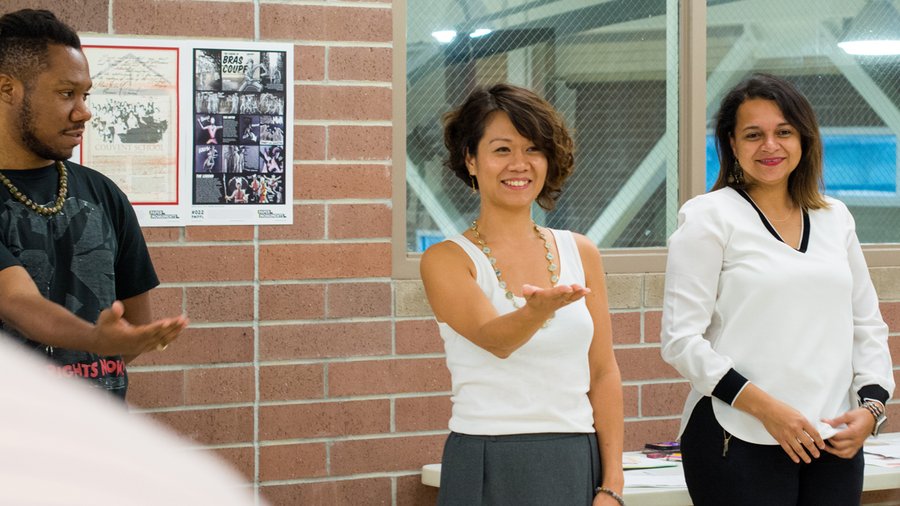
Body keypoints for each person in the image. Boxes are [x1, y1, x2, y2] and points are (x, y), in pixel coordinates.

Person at [660, 73, 894, 505]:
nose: (770, 145)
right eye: (754, 134)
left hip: (832, 437)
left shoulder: (835, 217)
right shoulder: (708, 217)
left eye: (783, 132)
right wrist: (770, 410)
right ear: (732, 144)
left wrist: (871, 410)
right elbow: (680, 341)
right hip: (738, 435)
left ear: (804, 139)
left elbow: (867, 325)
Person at [420, 83, 625, 506]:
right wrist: (537, 312)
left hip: (574, 456)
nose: (520, 164)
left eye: (533, 149)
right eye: (501, 150)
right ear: (471, 160)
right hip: (485, 456)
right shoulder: (446, 259)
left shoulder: (580, 250)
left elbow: (603, 372)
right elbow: (496, 339)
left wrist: (612, 485)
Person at [0, 9, 187, 400]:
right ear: (6, 89)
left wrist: (117, 344)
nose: (84, 111)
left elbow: (134, 326)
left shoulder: (104, 194)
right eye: (66, 93)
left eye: (86, 95)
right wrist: (93, 340)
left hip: (94, 443)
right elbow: (16, 299)